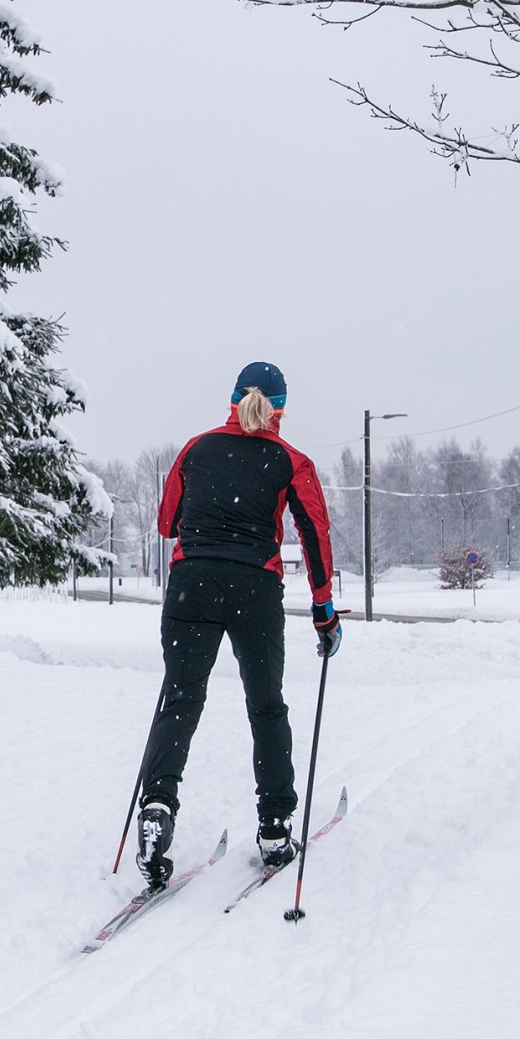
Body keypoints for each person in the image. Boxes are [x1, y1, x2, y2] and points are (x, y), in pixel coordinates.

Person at [133, 361, 342, 887]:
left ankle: (156, 809)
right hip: (255, 588)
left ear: (231, 398)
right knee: (266, 706)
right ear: (281, 408)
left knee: (180, 699)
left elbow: (166, 524)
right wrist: (324, 609)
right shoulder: (291, 460)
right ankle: (274, 828)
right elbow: (315, 534)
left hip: (191, 582)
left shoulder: (197, 448)